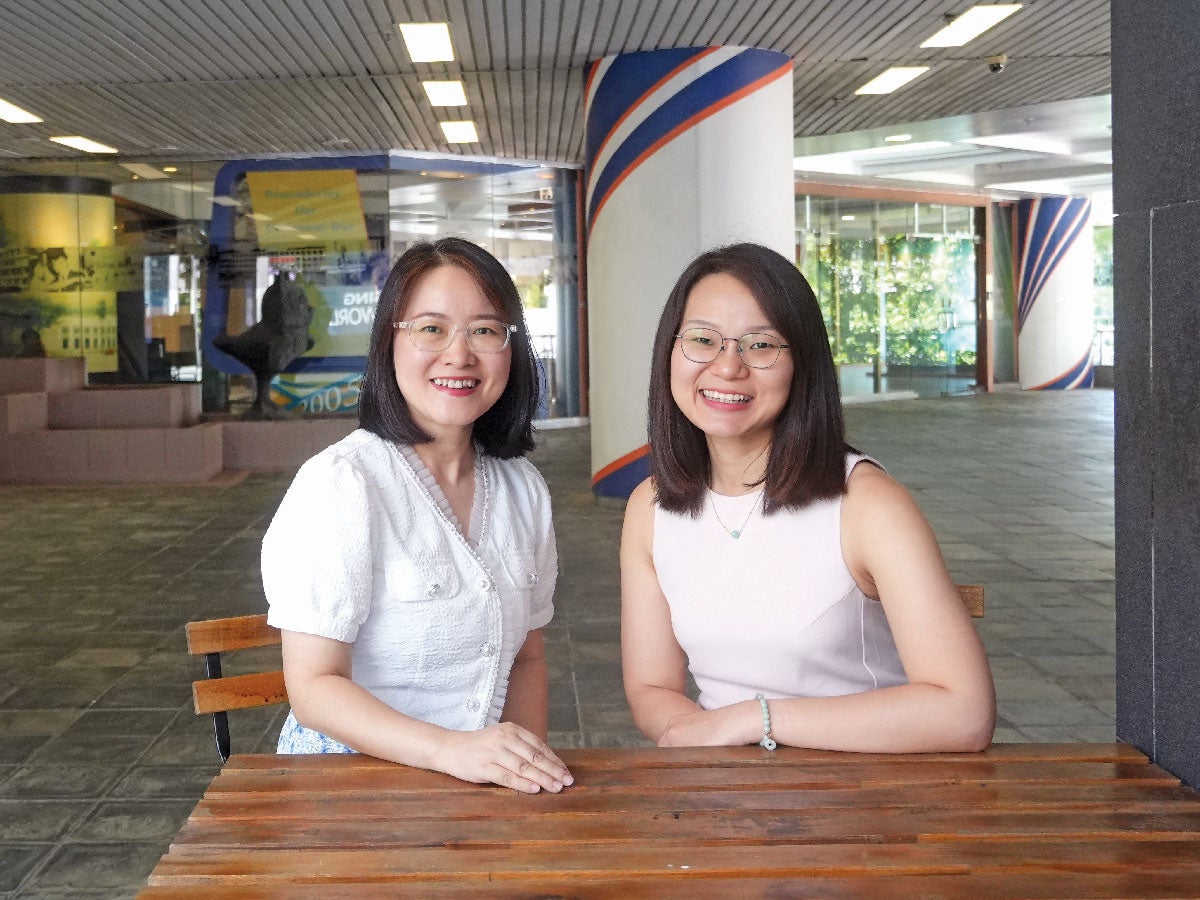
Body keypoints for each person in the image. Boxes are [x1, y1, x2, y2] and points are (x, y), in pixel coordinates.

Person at [621, 242, 995, 753]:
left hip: (863, 796)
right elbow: (651, 689)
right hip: (727, 795)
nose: (728, 366)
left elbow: (963, 712)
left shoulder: (867, 505)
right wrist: (710, 741)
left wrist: (754, 720)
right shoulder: (651, 507)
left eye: (761, 344)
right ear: (671, 352)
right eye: (703, 340)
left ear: (803, 363)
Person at [262, 237, 573, 793]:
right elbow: (313, 686)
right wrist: (451, 751)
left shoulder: (522, 488)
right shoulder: (343, 484)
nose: (459, 355)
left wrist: (524, 780)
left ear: (511, 348)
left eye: (485, 330)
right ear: (389, 343)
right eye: (431, 328)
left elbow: (527, 658)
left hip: (470, 787)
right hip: (345, 792)